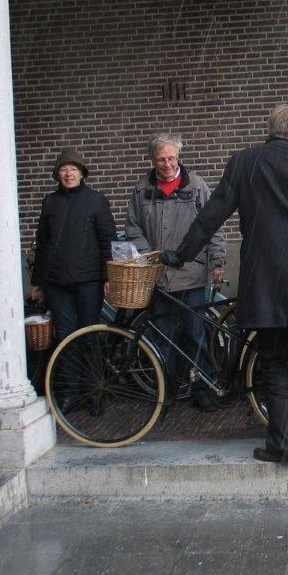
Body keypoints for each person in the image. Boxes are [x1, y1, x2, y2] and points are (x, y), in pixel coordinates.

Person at [164, 103, 288, 465]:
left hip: (266, 281)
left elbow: (211, 214)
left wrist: (182, 254)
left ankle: (283, 447)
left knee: (275, 364)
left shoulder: (244, 162)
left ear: (270, 130)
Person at [125, 136, 226, 411]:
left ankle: (202, 389)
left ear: (178, 157)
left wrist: (217, 261)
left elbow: (213, 225)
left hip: (192, 274)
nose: (167, 164)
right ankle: (165, 391)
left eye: (171, 158)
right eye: (161, 159)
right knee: (162, 336)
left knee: (197, 334)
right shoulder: (142, 189)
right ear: (152, 160)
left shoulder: (196, 186)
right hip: (159, 276)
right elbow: (133, 229)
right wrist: (152, 257)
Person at [31, 148, 116, 345]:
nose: (69, 174)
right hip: (56, 282)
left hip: (89, 281)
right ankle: (69, 377)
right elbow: (42, 243)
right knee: (64, 337)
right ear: (57, 174)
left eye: (74, 169)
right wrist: (38, 281)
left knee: (89, 335)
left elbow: (108, 240)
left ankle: (93, 376)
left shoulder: (96, 200)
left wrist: (108, 276)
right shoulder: (50, 202)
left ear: (82, 173)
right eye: (64, 169)